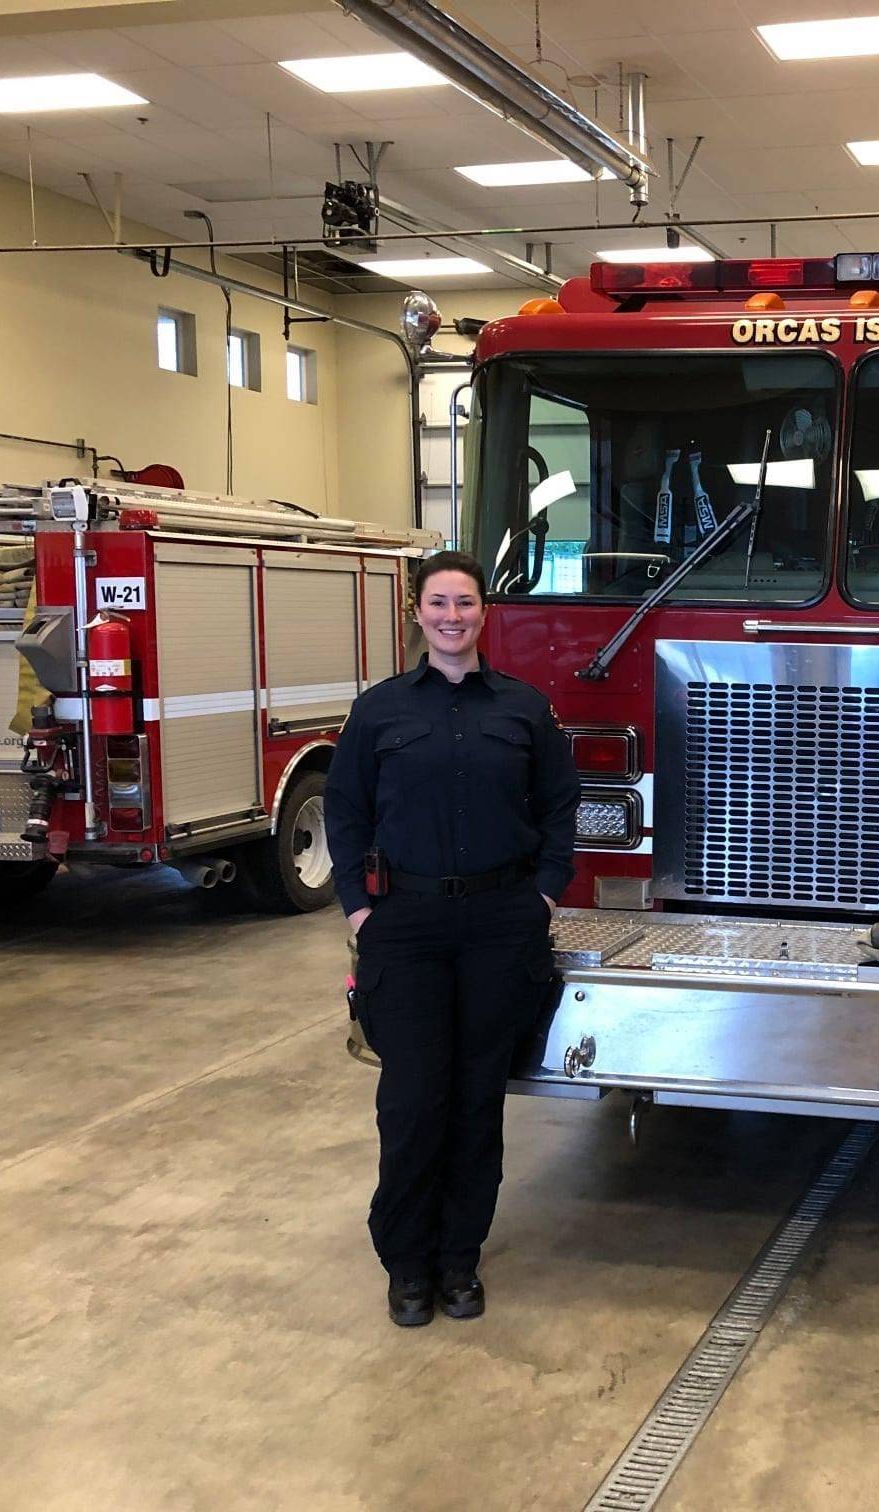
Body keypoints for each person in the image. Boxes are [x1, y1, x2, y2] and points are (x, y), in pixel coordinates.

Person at [324, 550, 579, 1327]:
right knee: (410, 1100)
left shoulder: (525, 709)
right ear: (417, 612)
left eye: (465, 603)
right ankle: (407, 1266)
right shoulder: (381, 710)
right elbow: (345, 812)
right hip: (405, 927)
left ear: (483, 613)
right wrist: (359, 911)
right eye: (438, 603)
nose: (452, 616)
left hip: (500, 927)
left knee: (476, 1103)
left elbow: (561, 806)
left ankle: (460, 1261)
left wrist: (541, 894)